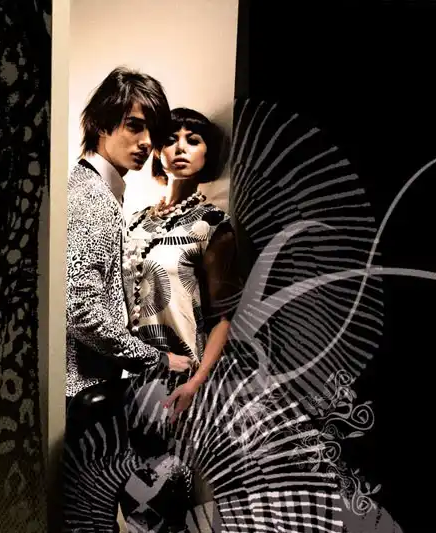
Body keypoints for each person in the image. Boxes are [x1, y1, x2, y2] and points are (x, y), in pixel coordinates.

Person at [119, 107, 251, 531]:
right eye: (170, 139)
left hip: (176, 378)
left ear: (206, 155)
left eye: (193, 140)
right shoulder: (135, 221)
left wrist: (196, 383)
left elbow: (224, 316)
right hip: (124, 373)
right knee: (130, 499)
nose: (180, 148)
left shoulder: (212, 224)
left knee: (170, 497)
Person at [65, 68, 195, 449]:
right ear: (100, 124)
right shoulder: (92, 198)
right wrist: (156, 359)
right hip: (79, 397)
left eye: (152, 131)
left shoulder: (95, 189)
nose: (146, 142)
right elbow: (79, 309)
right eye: (134, 126)